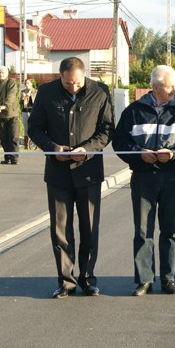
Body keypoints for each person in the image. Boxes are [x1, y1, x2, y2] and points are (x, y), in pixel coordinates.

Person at [28, 57, 114, 299]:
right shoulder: (46, 92)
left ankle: (88, 279)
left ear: (83, 76)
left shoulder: (100, 92)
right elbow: (34, 128)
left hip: (88, 172)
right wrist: (52, 147)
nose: (73, 88)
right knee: (60, 230)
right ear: (60, 76)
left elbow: (107, 129)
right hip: (58, 173)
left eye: (76, 83)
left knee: (89, 227)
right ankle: (66, 281)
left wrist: (87, 149)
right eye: (67, 84)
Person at [113, 65, 175, 296]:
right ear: (154, 87)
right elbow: (119, 142)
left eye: (174, 85)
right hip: (143, 177)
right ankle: (144, 279)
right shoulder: (134, 111)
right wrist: (138, 153)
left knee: (171, 229)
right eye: (169, 86)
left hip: (172, 177)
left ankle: (168, 278)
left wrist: (174, 155)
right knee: (143, 230)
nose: (174, 90)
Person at [20, 78, 37, 149]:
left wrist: (29, 95)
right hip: (25, 110)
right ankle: (26, 144)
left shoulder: (35, 91)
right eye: (25, 83)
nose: (26, 85)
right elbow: (20, 103)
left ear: (31, 84)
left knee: (33, 126)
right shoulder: (23, 91)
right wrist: (22, 98)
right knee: (26, 127)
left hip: (32, 111)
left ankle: (34, 144)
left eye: (28, 83)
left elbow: (36, 102)